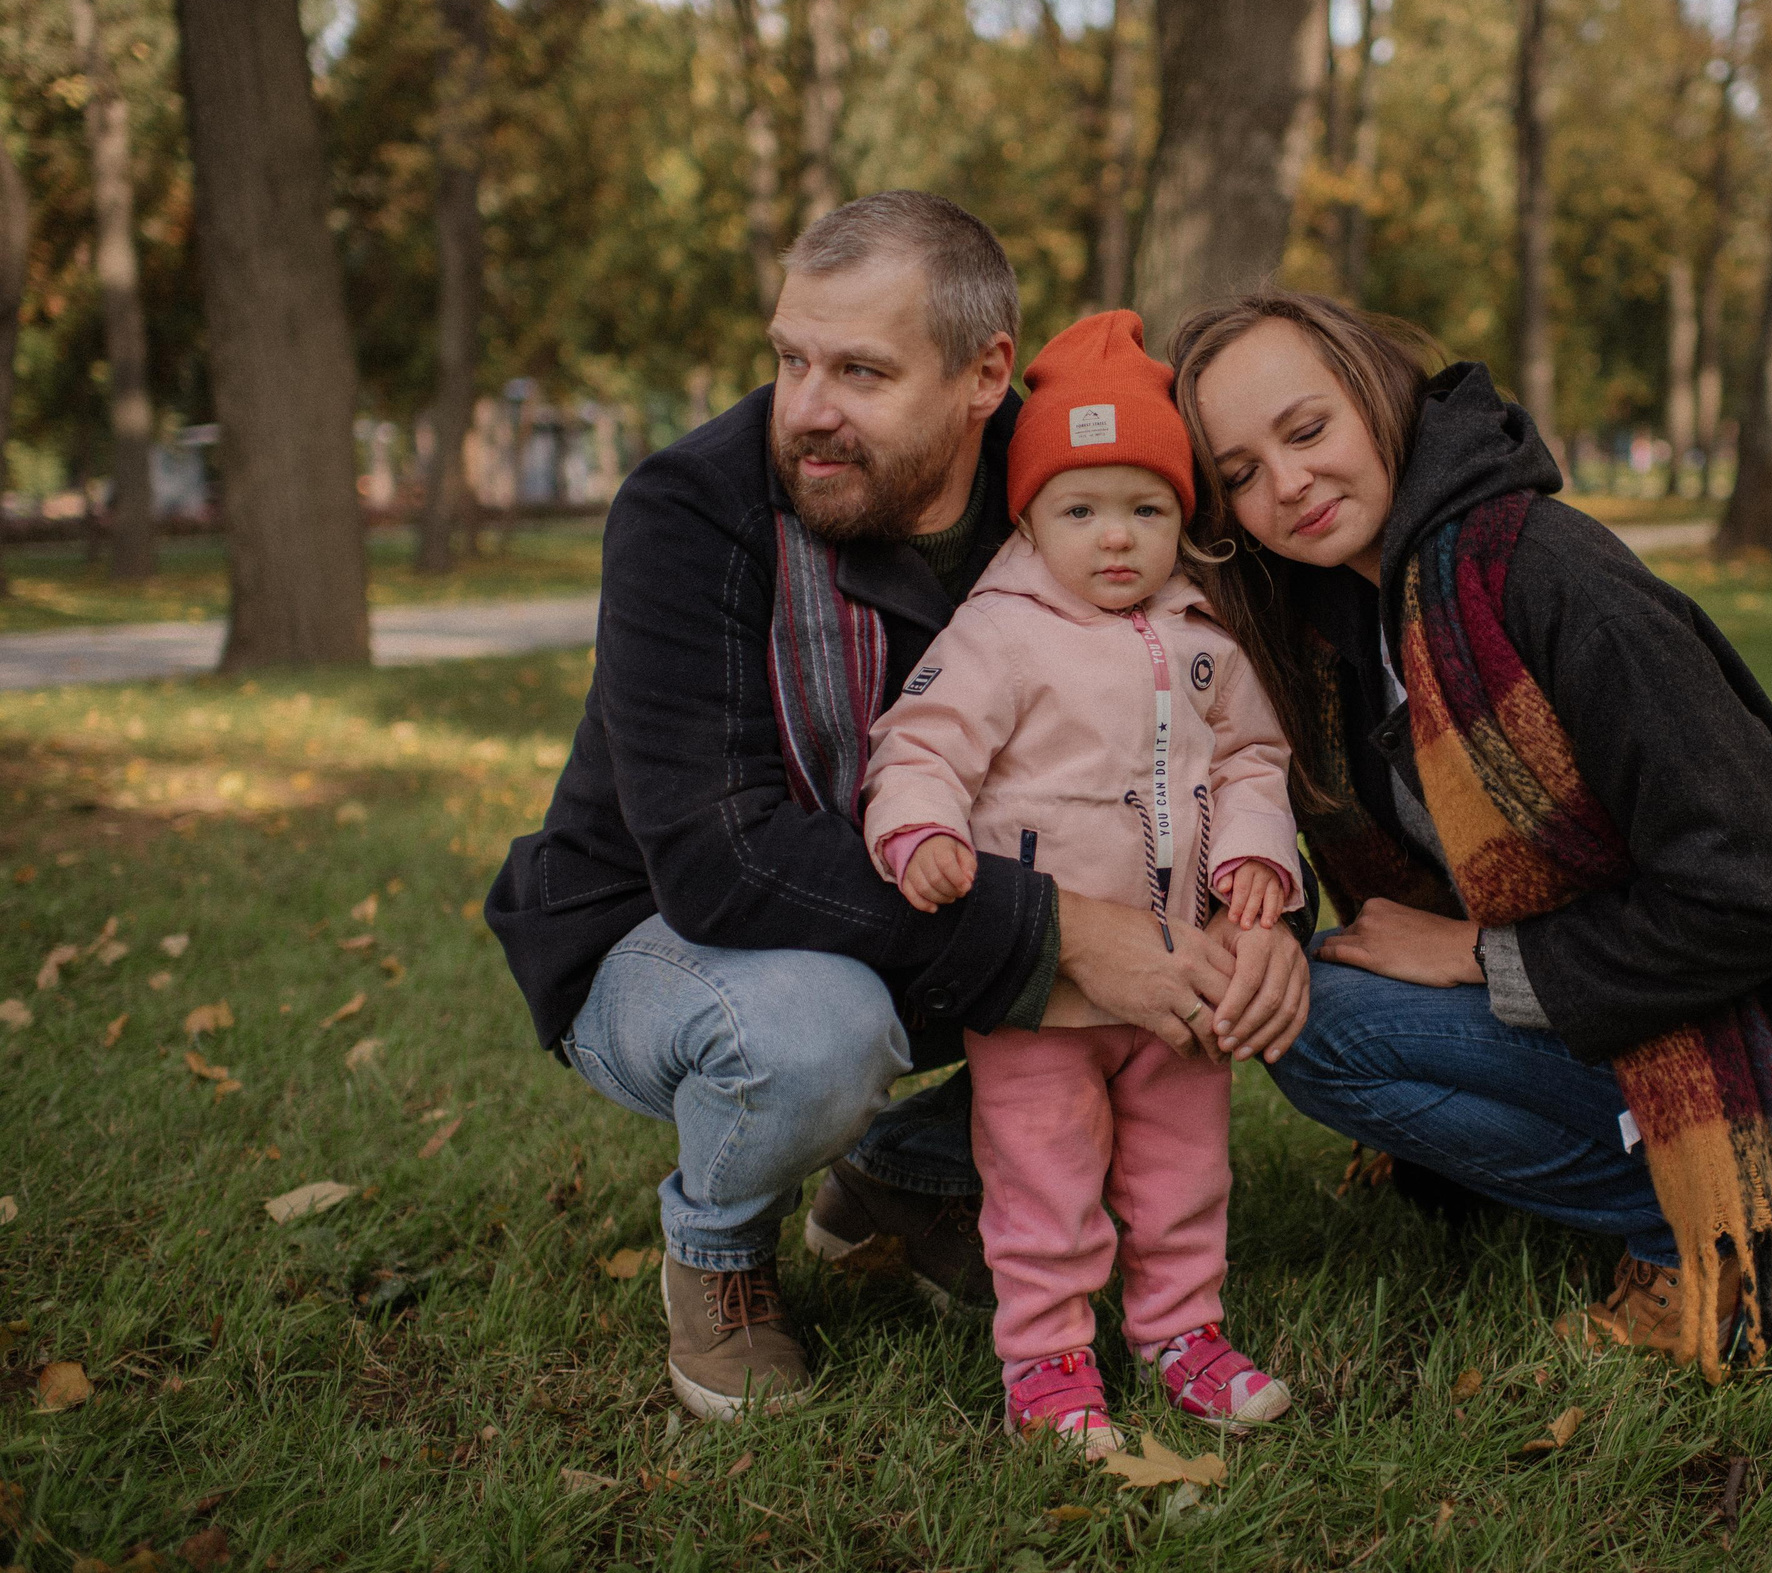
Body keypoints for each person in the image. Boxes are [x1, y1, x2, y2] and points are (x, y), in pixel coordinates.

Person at [482, 194, 1307, 1422]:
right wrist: (1071, 933)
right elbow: (718, 859)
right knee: (815, 1028)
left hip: (933, 907)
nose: (805, 407)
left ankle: (905, 1171)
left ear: (984, 375)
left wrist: (1258, 911)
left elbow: (1204, 712)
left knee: (1132, 1006)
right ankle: (718, 1247)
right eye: (791, 359)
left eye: (860, 371)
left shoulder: (1082, 483)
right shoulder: (691, 510)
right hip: (664, 929)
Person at [1171, 290, 1772, 1377]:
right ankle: (1644, 1172)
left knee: (1327, 1023)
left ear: (1380, 395)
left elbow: (1745, 899)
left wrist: (1476, 955)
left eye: (1306, 430)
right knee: (1299, 1003)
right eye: (1241, 472)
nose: (1287, 483)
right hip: (1617, 1012)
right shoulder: (1340, 625)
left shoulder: (1546, 578)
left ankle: (1718, 1221)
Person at [862, 310, 1305, 1452]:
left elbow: (1252, 758)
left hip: (1179, 973)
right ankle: (1047, 1357)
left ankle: (1181, 1329)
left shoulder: (1204, 637)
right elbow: (920, 746)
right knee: (1043, 1178)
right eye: (1081, 510)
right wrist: (921, 831)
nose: (1117, 538)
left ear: (1182, 518)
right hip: (1043, 987)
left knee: (1183, 1169)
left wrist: (1255, 852)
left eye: (1147, 509)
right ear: (1028, 517)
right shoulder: (998, 634)